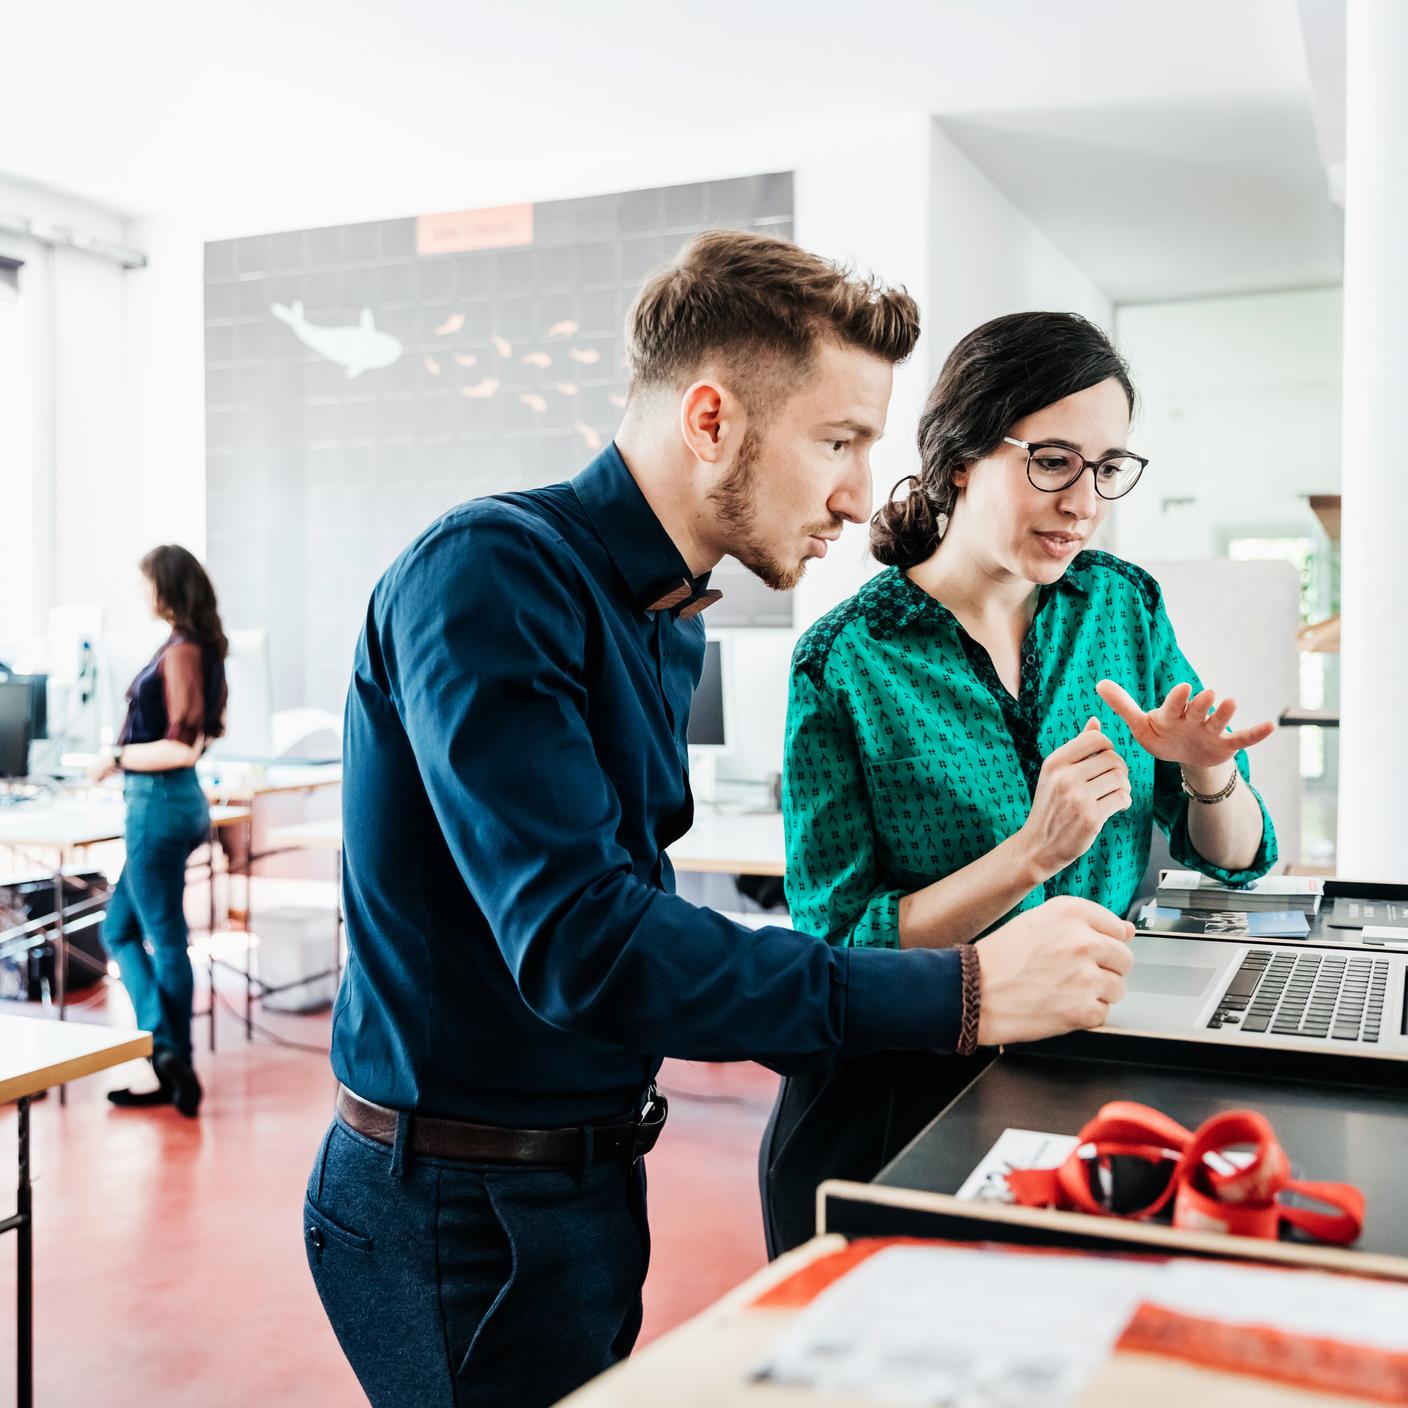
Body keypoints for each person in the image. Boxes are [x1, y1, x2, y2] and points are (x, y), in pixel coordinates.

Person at [303, 234, 1137, 1408]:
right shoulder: (488, 574)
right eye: (838, 441)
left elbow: (636, 924)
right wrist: (966, 991)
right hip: (457, 1207)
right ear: (710, 420)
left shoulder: (666, 616)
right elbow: (585, 942)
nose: (858, 493)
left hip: (580, 1184)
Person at [763, 311, 1278, 1254]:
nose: (1084, 501)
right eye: (1052, 460)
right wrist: (1032, 853)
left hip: (1089, 1073)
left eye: (1109, 467)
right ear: (960, 457)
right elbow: (839, 944)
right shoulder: (844, 661)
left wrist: (1209, 776)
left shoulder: (1121, 604)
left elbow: (1236, 858)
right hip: (899, 1100)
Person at [89, 545, 229, 1117]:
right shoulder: (197, 648)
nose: (141, 592)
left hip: (159, 806)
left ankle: (170, 1056)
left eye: (146, 582)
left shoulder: (183, 651)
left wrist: (116, 758)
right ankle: (168, 1057)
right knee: (119, 929)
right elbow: (206, 737)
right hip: (174, 805)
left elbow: (181, 745)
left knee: (165, 939)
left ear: (166, 587)